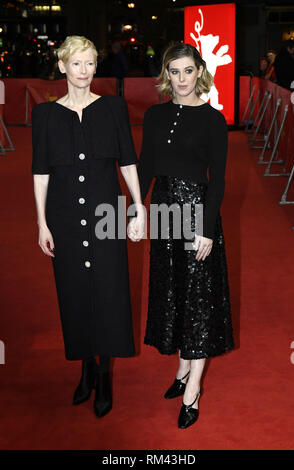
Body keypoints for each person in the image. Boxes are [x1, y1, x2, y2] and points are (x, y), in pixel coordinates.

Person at [31, 35, 144, 419]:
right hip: (63, 215)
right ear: (62, 66)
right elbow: (40, 173)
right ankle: (84, 366)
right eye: (76, 64)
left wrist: (139, 207)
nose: (84, 71)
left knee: (110, 290)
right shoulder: (45, 115)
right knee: (75, 290)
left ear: (97, 66)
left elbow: (128, 160)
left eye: (90, 63)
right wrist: (41, 221)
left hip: (106, 212)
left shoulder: (112, 108)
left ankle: (104, 372)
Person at [131, 42, 234, 429]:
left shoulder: (213, 120)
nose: (181, 79)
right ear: (166, 75)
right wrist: (135, 208)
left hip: (196, 215)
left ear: (199, 72)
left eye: (188, 71)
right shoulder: (155, 116)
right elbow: (145, 168)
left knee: (199, 300)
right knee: (173, 291)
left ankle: (193, 389)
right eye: (174, 72)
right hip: (163, 212)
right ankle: (181, 369)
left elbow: (219, 182)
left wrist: (206, 230)